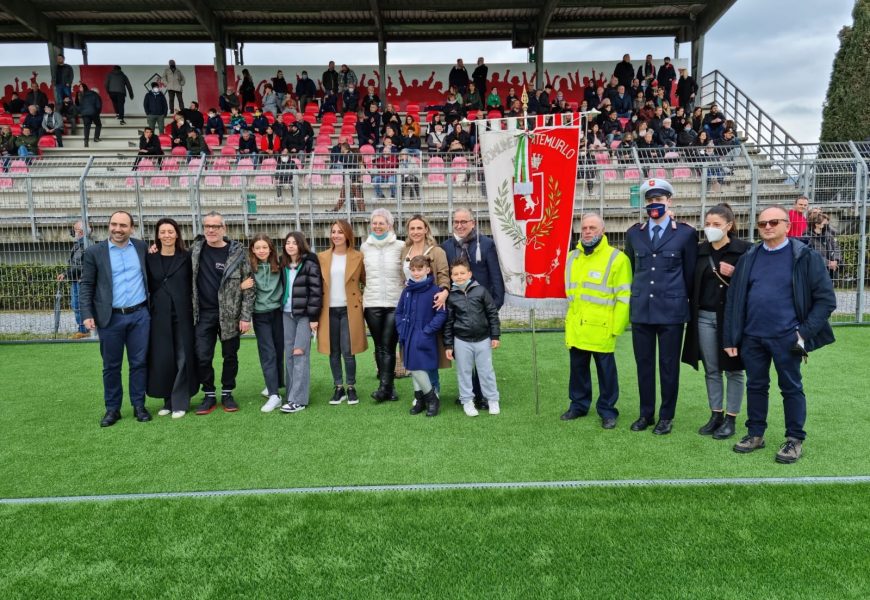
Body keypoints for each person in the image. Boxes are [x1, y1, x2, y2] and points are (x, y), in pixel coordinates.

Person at [724, 205, 837, 463]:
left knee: (791, 387)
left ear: (788, 225)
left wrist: (802, 334)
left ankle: (794, 439)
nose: (767, 227)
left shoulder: (804, 257)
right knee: (755, 385)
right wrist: (731, 337)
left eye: (774, 222)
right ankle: (755, 434)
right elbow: (734, 298)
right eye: (762, 223)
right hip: (752, 336)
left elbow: (826, 300)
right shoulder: (750, 256)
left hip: (788, 338)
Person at [623, 178, 698, 435]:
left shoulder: (686, 234)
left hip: (671, 312)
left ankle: (666, 416)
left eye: (659, 199)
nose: (655, 204)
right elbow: (633, 269)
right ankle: (646, 413)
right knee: (643, 365)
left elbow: (689, 275)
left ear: (669, 201)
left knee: (668, 366)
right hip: (642, 311)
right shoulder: (634, 233)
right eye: (650, 200)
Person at [681, 204, 750, 440]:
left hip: (732, 321)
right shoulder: (699, 251)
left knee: (734, 370)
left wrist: (736, 273)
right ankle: (716, 414)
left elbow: (754, 284)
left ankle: (731, 418)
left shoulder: (745, 251)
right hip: (703, 318)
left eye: (716, 224)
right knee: (712, 370)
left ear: (729, 226)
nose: (711, 228)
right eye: (708, 224)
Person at [79, 211, 151, 427]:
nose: (118, 229)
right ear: (109, 226)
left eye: (123, 225)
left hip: (139, 315)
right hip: (110, 318)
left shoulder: (142, 248)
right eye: (114, 224)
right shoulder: (94, 252)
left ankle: (139, 405)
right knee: (111, 366)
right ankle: (113, 409)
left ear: (132, 228)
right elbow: (87, 285)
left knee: (139, 363)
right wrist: (87, 313)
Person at [562, 213, 632, 429]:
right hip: (578, 327)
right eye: (584, 228)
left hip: (602, 328)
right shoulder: (572, 257)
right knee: (578, 370)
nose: (587, 231)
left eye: (592, 227)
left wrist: (617, 327)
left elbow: (624, 297)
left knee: (606, 374)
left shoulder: (617, 258)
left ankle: (608, 410)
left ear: (603, 231)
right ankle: (578, 405)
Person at [191, 212, 254, 415]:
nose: (211, 230)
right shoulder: (195, 250)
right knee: (202, 356)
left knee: (230, 355)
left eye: (215, 226)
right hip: (203, 314)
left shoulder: (237, 253)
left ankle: (227, 392)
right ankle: (209, 394)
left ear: (223, 229)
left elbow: (250, 287)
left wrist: (245, 316)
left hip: (231, 315)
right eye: (207, 226)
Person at [441, 207, 504, 410]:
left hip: (481, 308)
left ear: (473, 223)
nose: (459, 225)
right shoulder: (447, 247)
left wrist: (494, 305)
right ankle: (470, 394)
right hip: (459, 309)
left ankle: (485, 396)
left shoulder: (486, 244)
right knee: (465, 357)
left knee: (483, 359)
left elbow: (495, 276)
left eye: (464, 222)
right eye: (456, 222)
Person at [145, 218, 198, 419]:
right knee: (164, 357)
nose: (167, 235)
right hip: (159, 315)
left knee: (183, 357)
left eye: (170, 231)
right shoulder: (149, 257)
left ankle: (180, 401)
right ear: (157, 235)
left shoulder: (187, 256)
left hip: (183, 314)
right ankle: (168, 400)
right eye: (163, 232)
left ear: (177, 234)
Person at [318, 220, 367, 406]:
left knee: (348, 350)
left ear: (347, 235)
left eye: (340, 232)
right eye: (333, 232)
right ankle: (338, 387)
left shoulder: (358, 256)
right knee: (333, 351)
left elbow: (366, 281)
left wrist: (362, 300)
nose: (336, 235)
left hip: (349, 310)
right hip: (328, 310)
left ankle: (351, 387)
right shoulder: (321, 257)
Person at [444, 258, 501, 417]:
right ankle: (467, 401)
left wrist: (495, 335)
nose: (459, 276)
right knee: (464, 372)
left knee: (486, 371)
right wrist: (448, 345)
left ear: (470, 273)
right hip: (461, 341)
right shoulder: (452, 296)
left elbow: (492, 314)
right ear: (451, 276)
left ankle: (492, 399)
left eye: (462, 273)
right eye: (455, 274)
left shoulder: (481, 291)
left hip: (483, 339)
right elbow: (448, 322)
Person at [401, 215, 450, 394]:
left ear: (426, 229)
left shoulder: (437, 251)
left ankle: (433, 391)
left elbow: (444, 274)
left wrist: (444, 291)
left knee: (428, 350)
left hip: (429, 305)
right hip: (410, 306)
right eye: (412, 228)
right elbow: (403, 277)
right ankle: (420, 394)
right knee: (412, 352)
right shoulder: (404, 250)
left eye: (419, 228)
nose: (415, 232)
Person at [360, 209, 405, 402]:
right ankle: (390, 387)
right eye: (374, 223)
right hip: (372, 303)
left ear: (390, 225)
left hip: (395, 303)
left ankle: (383, 387)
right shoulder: (364, 247)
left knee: (388, 344)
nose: (377, 226)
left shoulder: (401, 246)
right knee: (379, 346)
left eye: (381, 223)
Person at [396, 255, 448, 416]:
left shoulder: (434, 291)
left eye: (419, 269)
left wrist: (427, 330)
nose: (416, 273)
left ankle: (432, 399)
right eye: (413, 270)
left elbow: (441, 314)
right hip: (408, 334)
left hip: (424, 334)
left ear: (427, 270)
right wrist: (401, 328)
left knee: (418, 367)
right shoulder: (407, 290)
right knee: (411, 366)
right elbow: (399, 312)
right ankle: (420, 399)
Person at [277, 232, 323, 414]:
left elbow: (316, 291)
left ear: (301, 245)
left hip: (304, 315)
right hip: (286, 313)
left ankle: (299, 400)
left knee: (299, 353)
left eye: (294, 243)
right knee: (289, 354)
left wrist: (313, 318)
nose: (290, 246)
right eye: (287, 242)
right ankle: (291, 394)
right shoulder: (283, 264)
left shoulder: (310, 263)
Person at [242, 235, 285, 413]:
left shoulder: (279, 266)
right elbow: (230, 284)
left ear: (271, 249)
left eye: (264, 247)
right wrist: (240, 286)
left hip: (278, 313)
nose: (261, 251)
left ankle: (274, 383)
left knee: (279, 350)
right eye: (257, 247)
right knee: (268, 353)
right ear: (252, 249)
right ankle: (274, 395)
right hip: (260, 316)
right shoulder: (248, 268)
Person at [57, 220, 89, 339]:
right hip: (78, 279)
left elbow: (78, 265)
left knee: (77, 305)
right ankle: (83, 329)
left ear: (80, 232)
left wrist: (65, 274)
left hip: (80, 280)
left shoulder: (83, 245)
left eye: (74, 229)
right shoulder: (82, 244)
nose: (72, 232)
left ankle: (83, 330)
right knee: (79, 305)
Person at [804, 211, 841, 279]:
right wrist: (828, 263)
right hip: (816, 269)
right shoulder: (807, 237)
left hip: (831, 269)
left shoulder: (828, 235)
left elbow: (836, 247)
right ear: (817, 224)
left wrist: (836, 260)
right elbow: (811, 255)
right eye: (824, 223)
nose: (827, 224)